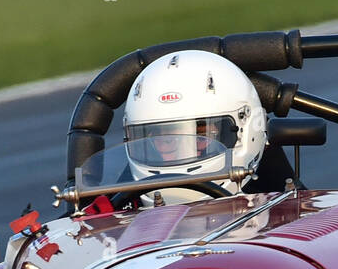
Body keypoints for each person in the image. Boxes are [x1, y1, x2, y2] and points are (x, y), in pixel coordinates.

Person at [122, 49, 296, 203]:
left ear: (248, 129)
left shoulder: (290, 215)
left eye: (202, 137)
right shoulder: (112, 215)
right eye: (166, 140)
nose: (183, 151)